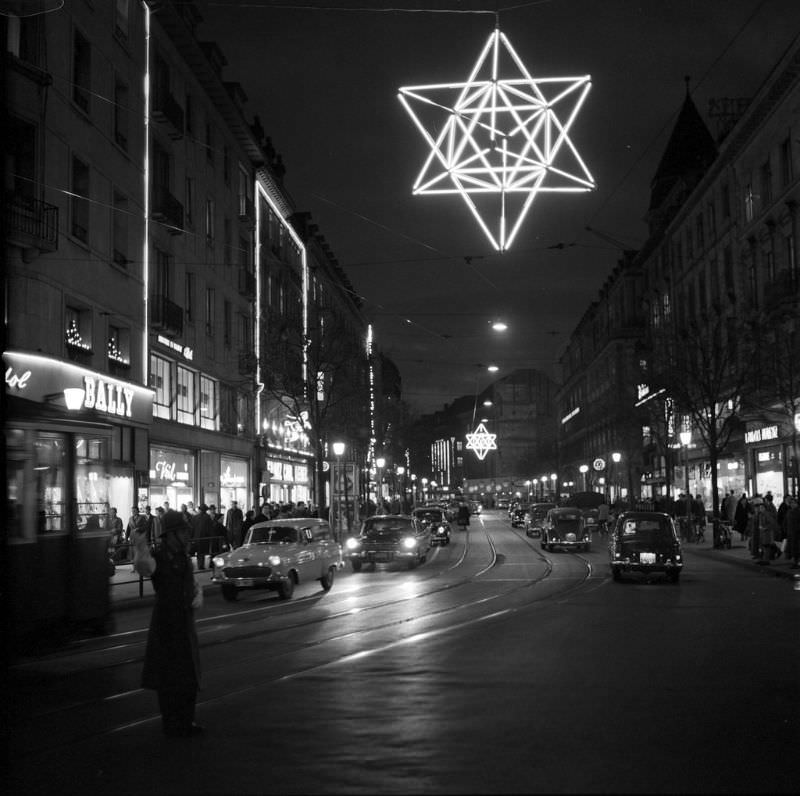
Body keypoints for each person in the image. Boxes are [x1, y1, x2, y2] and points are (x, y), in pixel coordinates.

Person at [132, 509, 203, 738]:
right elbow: (145, 567)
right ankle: (172, 723)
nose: (186, 535)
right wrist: (140, 547)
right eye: (182, 531)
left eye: (186, 531)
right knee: (169, 677)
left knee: (189, 676)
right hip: (166, 623)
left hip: (184, 621)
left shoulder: (183, 556)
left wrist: (197, 591)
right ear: (170, 534)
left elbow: (190, 581)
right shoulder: (159, 555)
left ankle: (186, 721)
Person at [190, 503, 214, 570]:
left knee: (198, 552)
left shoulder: (195, 517)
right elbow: (210, 529)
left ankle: (199, 565)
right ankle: (201, 565)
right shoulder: (207, 517)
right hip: (204, 538)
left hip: (196, 538)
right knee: (202, 553)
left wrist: (191, 538)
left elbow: (192, 528)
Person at [785, 496, 800, 569]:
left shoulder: (798, 511)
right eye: (791, 503)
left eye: (794, 503)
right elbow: (786, 522)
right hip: (790, 532)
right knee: (792, 548)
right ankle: (795, 562)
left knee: (796, 548)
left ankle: (797, 562)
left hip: (796, 533)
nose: (792, 504)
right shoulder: (789, 511)